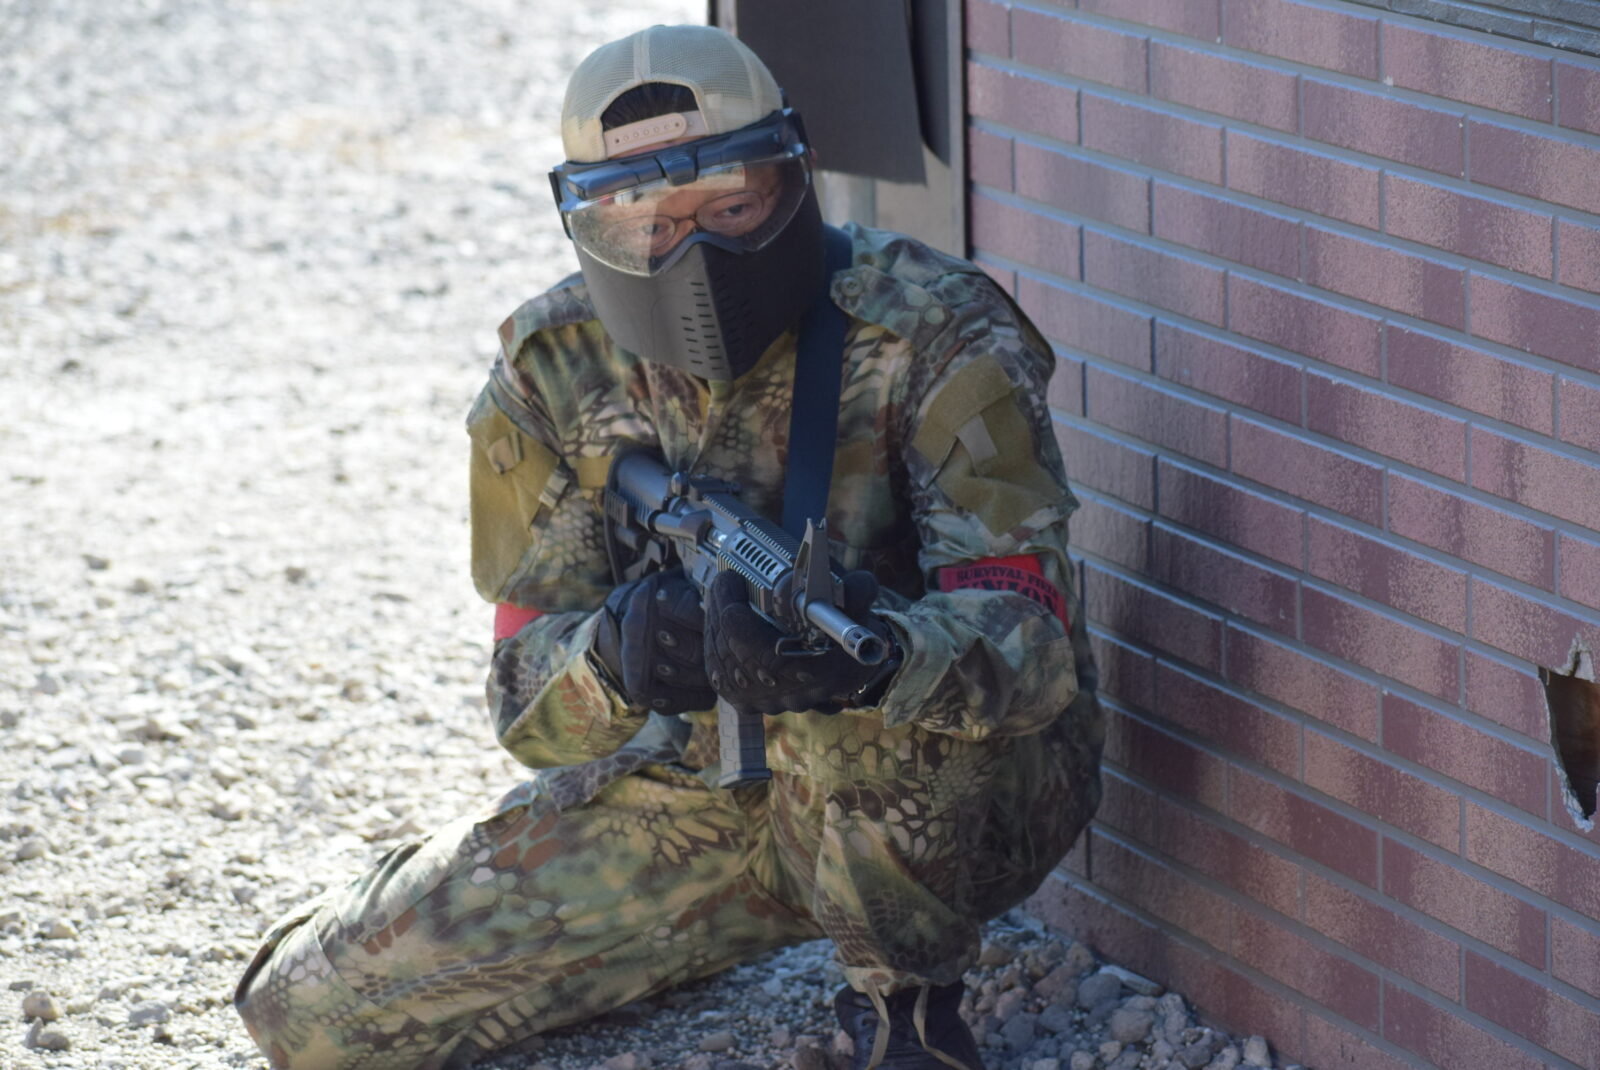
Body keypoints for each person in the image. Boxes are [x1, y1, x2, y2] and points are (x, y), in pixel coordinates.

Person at [234, 24, 1103, 1070]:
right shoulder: (552, 369)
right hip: (701, 789)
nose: (691, 251)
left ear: (792, 179)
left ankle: (904, 1020)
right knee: (304, 1013)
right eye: (645, 221)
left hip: (957, 798)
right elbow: (521, 698)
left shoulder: (932, 327)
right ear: (587, 222)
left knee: (846, 719)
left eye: (731, 208)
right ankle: (692, 934)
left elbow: (1034, 648)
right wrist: (617, 656)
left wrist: (874, 659)